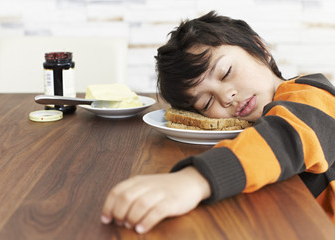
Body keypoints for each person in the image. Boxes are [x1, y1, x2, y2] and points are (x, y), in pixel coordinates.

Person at [101, 11, 335, 234]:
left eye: (225, 72)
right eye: (206, 102)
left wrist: (193, 180)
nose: (226, 97)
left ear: (261, 49)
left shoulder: (313, 94)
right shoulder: (252, 122)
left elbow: (285, 138)